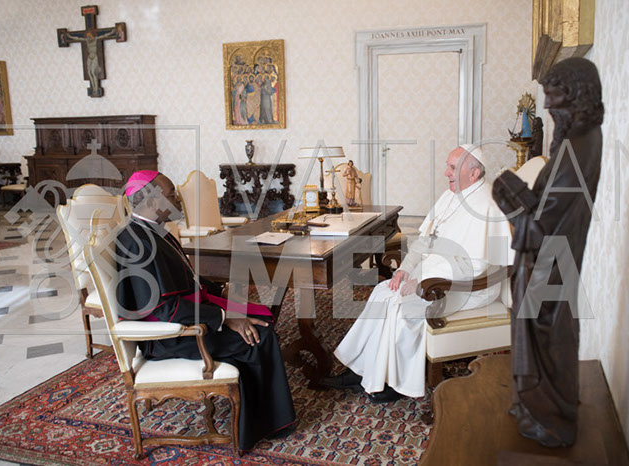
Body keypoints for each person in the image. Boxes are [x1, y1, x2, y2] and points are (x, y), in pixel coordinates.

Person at [115, 170, 296, 451]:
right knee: (259, 335)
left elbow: (189, 279)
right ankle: (264, 426)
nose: (178, 199)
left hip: (183, 321)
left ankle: (258, 415)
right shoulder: (138, 243)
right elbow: (166, 309)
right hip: (168, 336)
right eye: (172, 194)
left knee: (259, 318)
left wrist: (220, 293)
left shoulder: (153, 231)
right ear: (151, 200)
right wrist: (225, 317)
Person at [321, 146, 513, 401]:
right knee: (382, 292)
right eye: (448, 166)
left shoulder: (488, 204)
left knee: (403, 307)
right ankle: (361, 370)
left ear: (474, 173)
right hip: (437, 277)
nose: (446, 173)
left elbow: (476, 267)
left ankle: (396, 384)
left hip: (470, 287)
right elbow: (425, 241)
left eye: (452, 168)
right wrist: (405, 269)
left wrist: (423, 282)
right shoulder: (451, 195)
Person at [492, 57, 604, 448]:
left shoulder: (576, 148)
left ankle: (547, 415)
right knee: (546, 337)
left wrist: (507, 194)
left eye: (553, 96)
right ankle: (534, 407)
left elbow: (540, 227)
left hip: (551, 262)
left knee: (546, 338)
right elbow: (547, 209)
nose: (548, 106)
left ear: (576, 95)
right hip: (553, 259)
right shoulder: (580, 139)